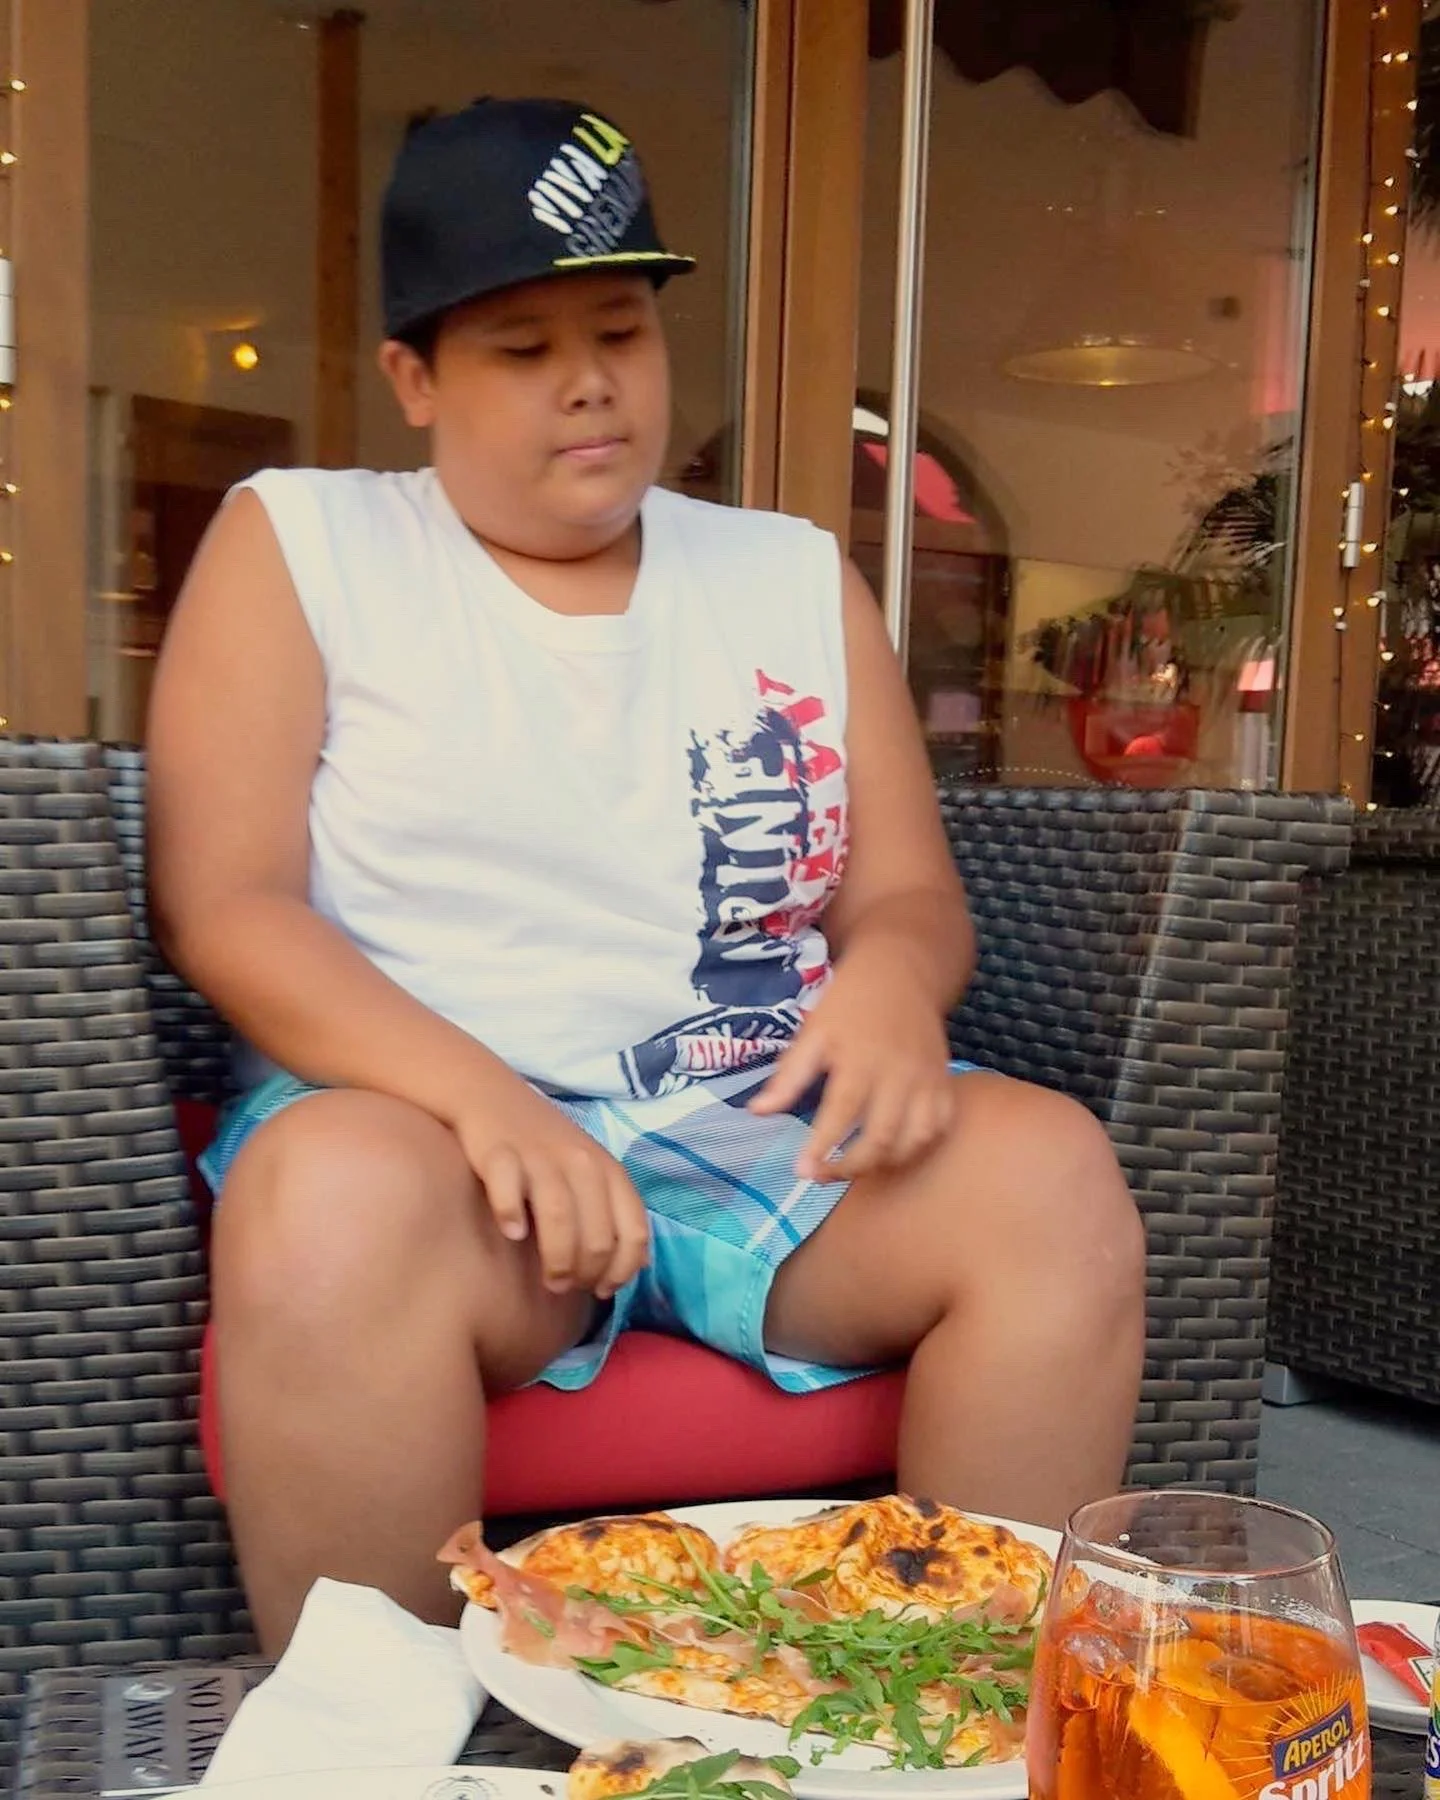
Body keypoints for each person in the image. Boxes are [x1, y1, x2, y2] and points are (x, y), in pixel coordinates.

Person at [147, 97, 1146, 1655]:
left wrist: (890, 980)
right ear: (415, 377)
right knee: (327, 1198)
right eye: (520, 346)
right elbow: (228, 907)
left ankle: (946, 1707)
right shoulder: (307, 545)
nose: (589, 381)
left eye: (618, 327)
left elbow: (905, 894)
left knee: (1047, 1177)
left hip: (748, 1121)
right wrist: (487, 1104)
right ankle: (378, 1735)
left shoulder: (787, 570)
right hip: (431, 1141)